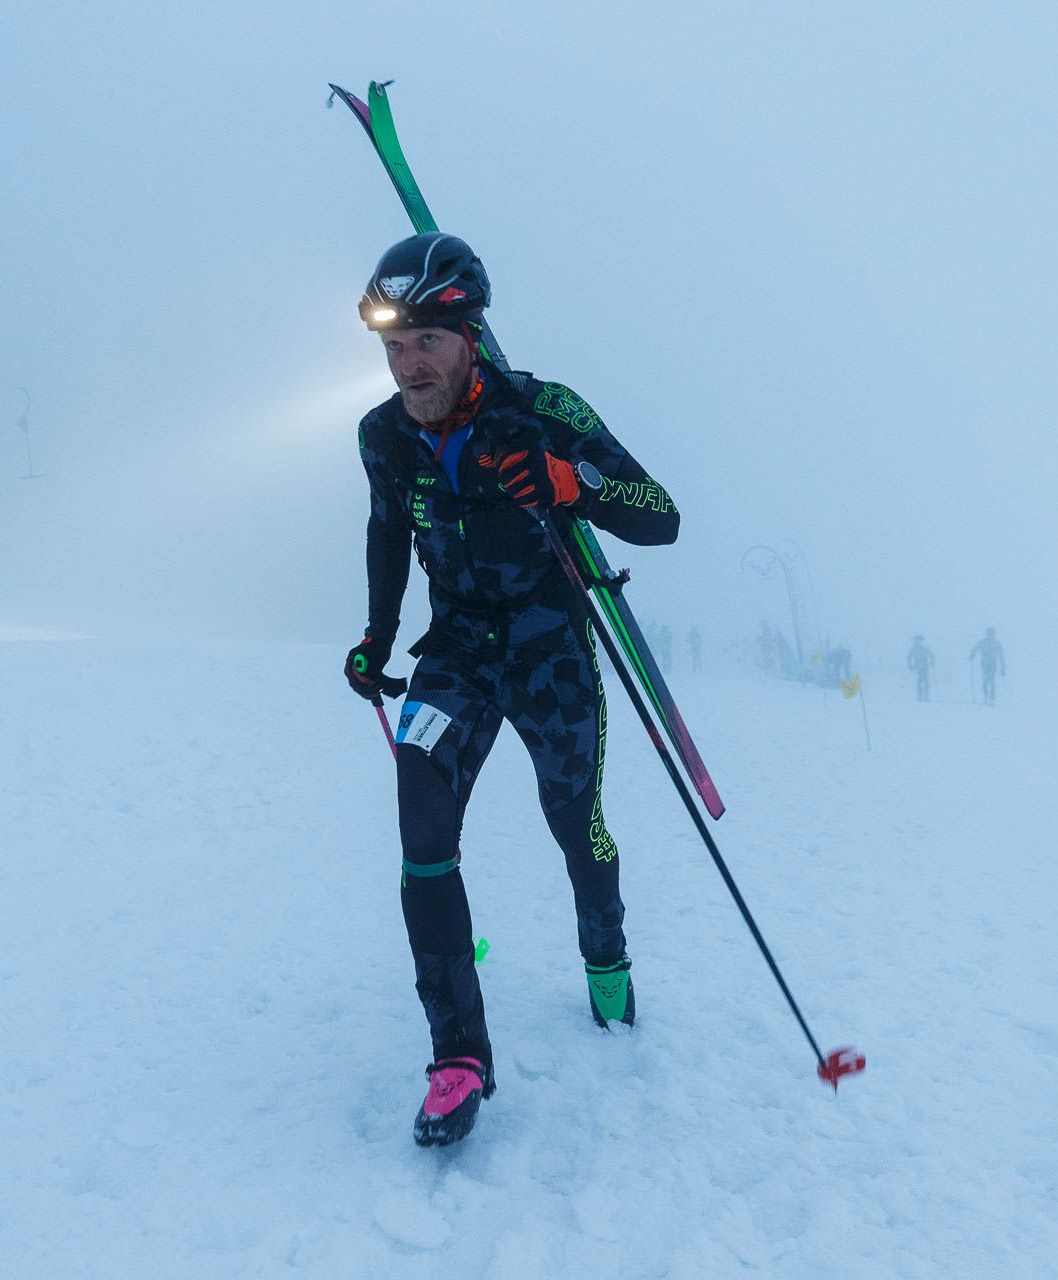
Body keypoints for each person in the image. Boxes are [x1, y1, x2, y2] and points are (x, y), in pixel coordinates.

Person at [343, 232, 682, 1146]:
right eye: (390, 345)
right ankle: (459, 1056)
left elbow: (662, 516)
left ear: (468, 333)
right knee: (421, 829)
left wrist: (574, 482)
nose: (404, 365)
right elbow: (386, 535)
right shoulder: (384, 435)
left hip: (551, 652)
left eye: (423, 342)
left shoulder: (543, 410)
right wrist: (378, 637)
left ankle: (604, 953)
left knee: (577, 826)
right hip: (454, 655)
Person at [969, 628, 1005, 706]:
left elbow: (1001, 655)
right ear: (986, 634)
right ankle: (985, 697)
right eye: (988, 634)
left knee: (991, 680)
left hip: (993, 664)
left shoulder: (996, 643)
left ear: (993, 635)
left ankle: (992, 699)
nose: (990, 635)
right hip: (984, 664)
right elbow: (975, 648)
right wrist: (972, 655)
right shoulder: (983, 642)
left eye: (991, 634)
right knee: (984, 680)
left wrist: (1003, 667)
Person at [907, 635, 935, 701]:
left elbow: (931, 654)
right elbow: (909, 657)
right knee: (919, 681)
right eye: (918, 640)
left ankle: (926, 696)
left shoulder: (925, 648)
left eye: (920, 641)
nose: (919, 642)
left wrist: (932, 661)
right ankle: (919, 696)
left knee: (925, 681)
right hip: (918, 667)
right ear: (915, 641)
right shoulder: (913, 649)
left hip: (925, 667)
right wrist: (910, 665)